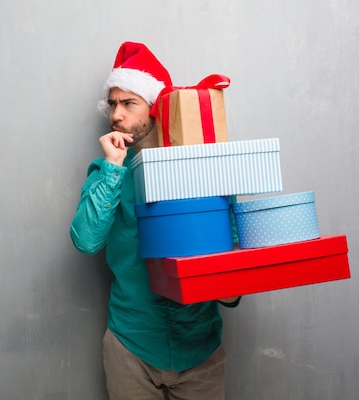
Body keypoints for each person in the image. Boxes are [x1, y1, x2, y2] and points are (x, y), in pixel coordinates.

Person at [70, 42, 241, 400]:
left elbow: (232, 252)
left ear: (155, 108)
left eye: (128, 103)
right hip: (131, 346)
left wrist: (229, 283)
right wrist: (114, 168)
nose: (116, 115)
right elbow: (86, 240)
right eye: (112, 104)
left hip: (200, 349)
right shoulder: (106, 172)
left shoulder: (205, 167)